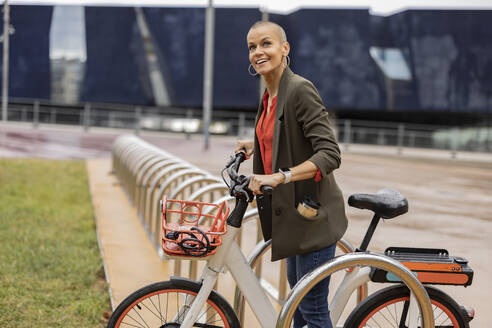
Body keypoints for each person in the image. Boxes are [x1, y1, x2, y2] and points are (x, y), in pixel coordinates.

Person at [235, 21, 348, 328]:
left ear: (285, 48)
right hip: (293, 219)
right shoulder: (270, 95)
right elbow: (285, 140)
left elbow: (329, 153)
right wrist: (255, 145)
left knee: (311, 311)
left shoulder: (299, 89)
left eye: (266, 44)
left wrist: (279, 177)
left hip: (313, 218)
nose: (258, 52)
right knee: (297, 309)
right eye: (252, 47)